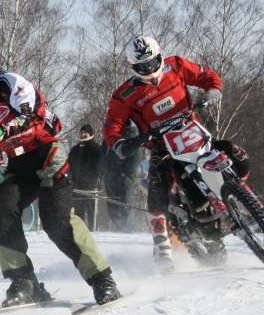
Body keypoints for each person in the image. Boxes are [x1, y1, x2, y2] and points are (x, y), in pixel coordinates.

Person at [0, 31, 120, 306]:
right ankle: (24, 281)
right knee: (0, 210)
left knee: (56, 222)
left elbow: (36, 119)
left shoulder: (11, 83)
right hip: (19, 167)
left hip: (47, 157)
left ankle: (102, 279)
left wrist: (3, 130)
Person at [103, 35, 251, 269]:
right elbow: (113, 123)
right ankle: (162, 248)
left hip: (192, 131)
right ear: (133, 67)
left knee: (234, 153)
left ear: (160, 56)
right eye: (143, 67)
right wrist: (119, 143)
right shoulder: (125, 94)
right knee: (157, 188)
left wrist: (213, 89)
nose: (150, 70)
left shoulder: (176, 66)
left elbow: (205, 74)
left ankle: (244, 199)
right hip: (162, 146)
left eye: (153, 62)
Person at [67, 124, 102, 226]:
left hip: (91, 186)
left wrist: (99, 180)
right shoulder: (74, 150)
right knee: (78, 212)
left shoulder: (97, 149)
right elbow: (69, 166)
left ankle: (93, 230)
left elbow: (101, 167)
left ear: (90, 134)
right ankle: (79, 232)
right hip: (76, 186)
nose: (83, 135)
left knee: (92, 212)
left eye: (85, 133)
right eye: (81, 133)